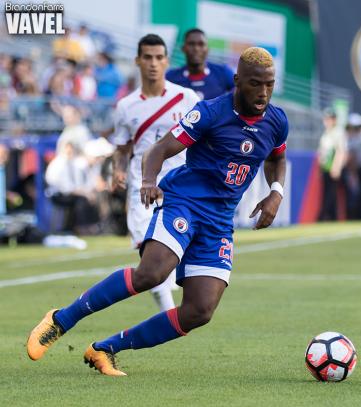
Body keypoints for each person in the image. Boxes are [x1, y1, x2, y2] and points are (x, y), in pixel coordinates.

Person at [27, 46, 288, 377]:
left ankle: (106, 349)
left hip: (220, 220)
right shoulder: (209, 113)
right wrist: (149, 181)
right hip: (185, 202)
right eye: (255, 84)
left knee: (200, 310)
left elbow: (277, 159)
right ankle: (61, 319)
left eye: (269, 84)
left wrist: (275, 193)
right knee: (151, 273)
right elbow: (159, 150)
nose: (263, 92)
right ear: (237, 81)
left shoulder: (277, 121)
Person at [110, 34, 200, 312]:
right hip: (142, 191)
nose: (153, 63)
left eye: (159, 57)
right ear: (137, 60)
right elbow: (122, 147)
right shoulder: (126, 106)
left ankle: (175, 308)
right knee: (148, 261)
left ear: (166, 61)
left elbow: (203, 138)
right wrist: (117, 170)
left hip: (180, 189)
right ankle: (169, 315)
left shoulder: (185, 97)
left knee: (175, 260)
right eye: (147, 57)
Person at [166, 28, 234, 100]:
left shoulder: (223, 72)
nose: (196, 49)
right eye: (191, 44)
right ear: (183, 48)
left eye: (201, 44)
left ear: (207, 49)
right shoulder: (171, 77)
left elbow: (240, 93)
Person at [317, 107, 347, 221]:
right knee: (328, 193)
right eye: (326, 119)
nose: (327, 121)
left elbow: (340, 151)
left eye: (330, 119)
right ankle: (332, 217)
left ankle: (323, 216)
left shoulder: (338, 133)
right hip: (325, 167)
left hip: (332, 167)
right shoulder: (326, 133)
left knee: (330, 194)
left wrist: (337, 167)